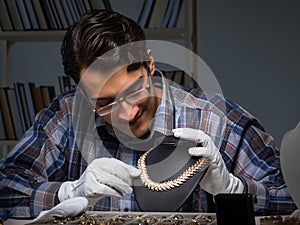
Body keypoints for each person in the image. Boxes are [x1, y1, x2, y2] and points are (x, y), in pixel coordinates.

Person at [0, 9, 297, 218]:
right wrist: (68, 192)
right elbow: (6, 191)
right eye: (104, 102)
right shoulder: (66, 117)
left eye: (132, 91)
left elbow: (291, 199)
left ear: (150, 65)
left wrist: (233, 189)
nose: (126, 113)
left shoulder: (220, 122)